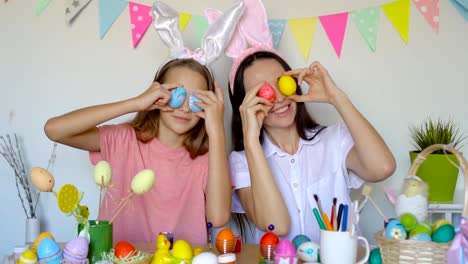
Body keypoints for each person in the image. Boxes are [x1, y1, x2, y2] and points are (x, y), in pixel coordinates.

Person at [44, 0, 245, 244]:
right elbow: (54, 130)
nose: (183, 108)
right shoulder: (124, 140)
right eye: (177, 96)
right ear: (157, 95)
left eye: (195, 100)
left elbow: (220, 216)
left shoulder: (205, 157)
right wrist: (135, 103)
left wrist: (217, 131)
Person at [226, 0, 396, 243]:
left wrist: (336, 97)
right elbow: (275, 225)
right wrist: (251, 139)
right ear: (245, 106)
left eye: (281, 82)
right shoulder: (242, 161)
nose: (278, 96)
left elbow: (383, 168)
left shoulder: (333, 140)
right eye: (262, 92)